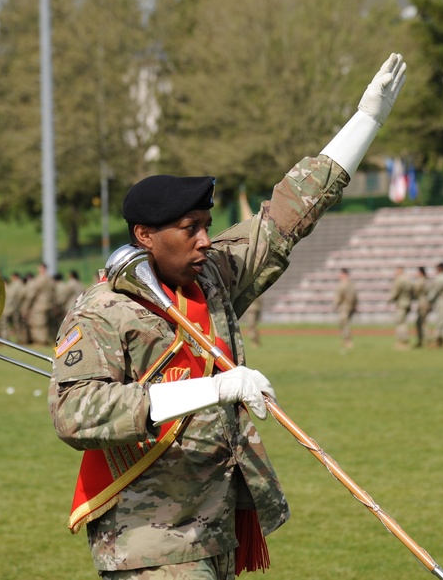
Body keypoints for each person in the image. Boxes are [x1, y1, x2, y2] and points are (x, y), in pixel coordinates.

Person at [49, 53, 407, 579]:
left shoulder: (210, 275)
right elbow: (74, 412)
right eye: (188, 227)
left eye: (206, 224)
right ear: (145, 236)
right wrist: (213, 389)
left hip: (213, 528)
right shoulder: (104, 310)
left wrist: (366, 121)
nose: (203, 239)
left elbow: (285, 217)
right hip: (149, 541)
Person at [389, 266, 415, 350]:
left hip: (401, 303)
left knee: (400, 323)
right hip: (408, 302)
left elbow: (395, 292)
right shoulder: (408, 280)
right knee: (404, 322)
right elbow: (413, 291)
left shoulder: (399, 280)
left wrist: (390, 300)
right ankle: (404, 341)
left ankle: (402, 342)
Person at [334, 268, 359, 351]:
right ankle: (346, 340)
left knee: (344, 324)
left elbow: (339, 296)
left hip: (344, 307)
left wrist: (336, 305)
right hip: (351, 306)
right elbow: (355, 296)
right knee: (346, 323)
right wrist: (355, 305)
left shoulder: (342, 284)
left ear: (344, 274)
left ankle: (348, 341)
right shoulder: (352, 284)